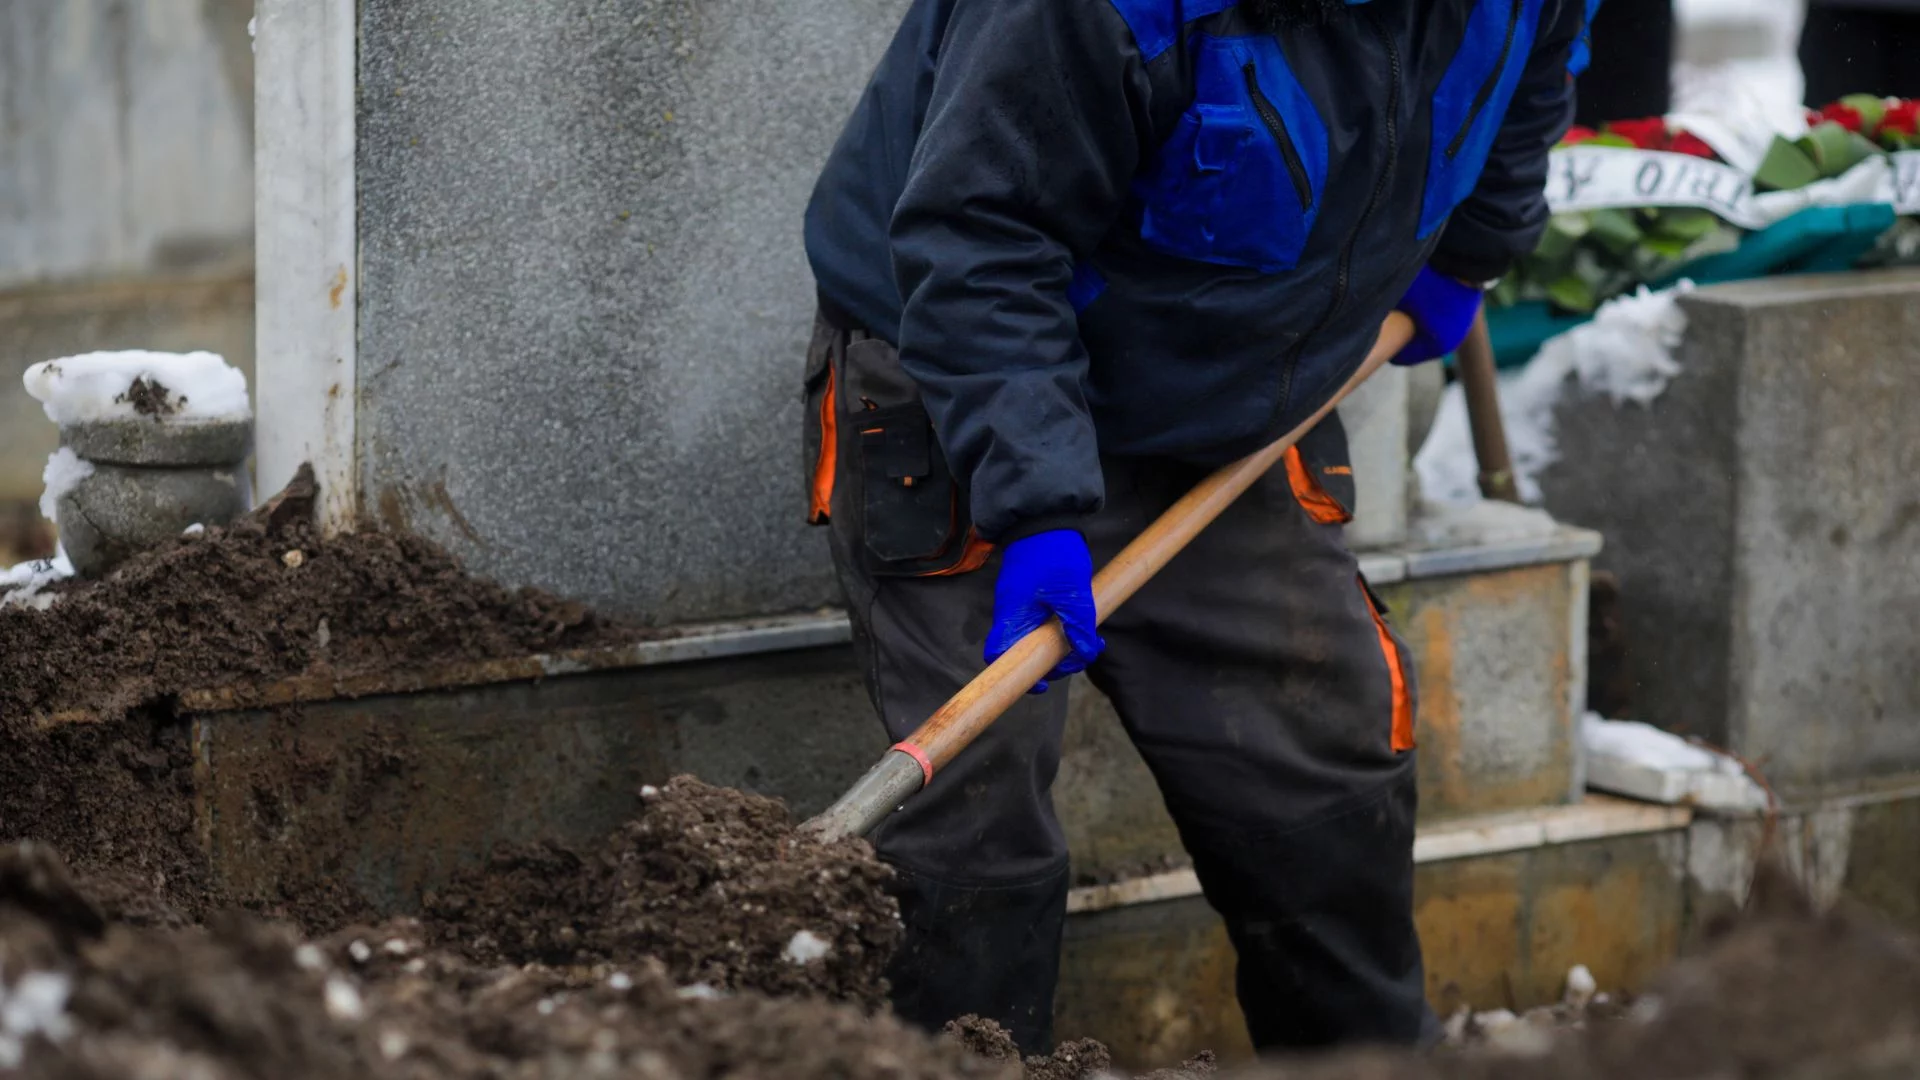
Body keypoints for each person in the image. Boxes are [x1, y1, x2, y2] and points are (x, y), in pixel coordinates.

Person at [801, 0, 1593, 1056]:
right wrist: (1035, 509)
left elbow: (1530, 75)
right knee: (975, 827)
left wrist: (1474, 248)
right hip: (971, 378)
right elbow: (982, 236)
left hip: (1229, 400)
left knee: (1321, 750)